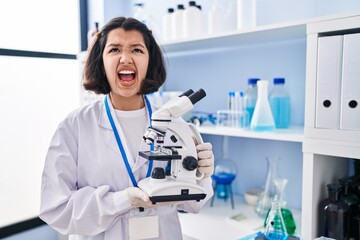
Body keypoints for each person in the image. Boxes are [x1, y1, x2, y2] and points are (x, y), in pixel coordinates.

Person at [39, 17, 214, 240]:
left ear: (150, 61)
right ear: (101, 61)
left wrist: (201, 175)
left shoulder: (175, 124)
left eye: (137, 50)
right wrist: (121, 201)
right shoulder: (75, 126)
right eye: (114, 49)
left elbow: (193, 204)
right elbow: (56, 207)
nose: (126, 58)